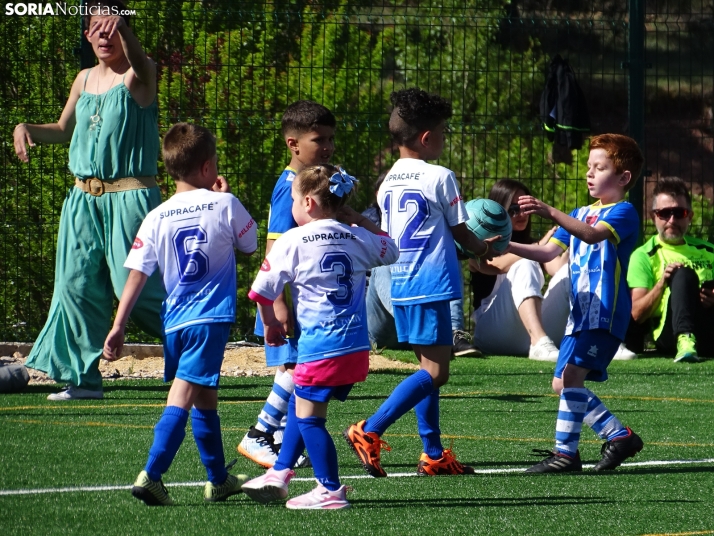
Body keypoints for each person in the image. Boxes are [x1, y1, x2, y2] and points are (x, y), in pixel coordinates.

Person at [13, 0, 165, 400]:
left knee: (133, 286)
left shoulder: (140, 74)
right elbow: (63, 129)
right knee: (75, 286)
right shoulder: (82, 79)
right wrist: (24, 126)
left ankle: (197, 342)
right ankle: (82, 380)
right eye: (96, 27)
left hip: (130, 198)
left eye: (112, 27)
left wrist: (127, 31)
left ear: (125, 33)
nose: (103, 35)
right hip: (82, 199)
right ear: (86, 34)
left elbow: (140, 58)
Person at [343, 88, 498, 478]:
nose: (445, 137)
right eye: (443, 131)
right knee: (436, 373)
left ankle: (432, 453)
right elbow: (462, 232)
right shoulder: (440, 176)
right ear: (427, 138)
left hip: (402, 282)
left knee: (428, 369)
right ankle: (370, 429)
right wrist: (482, 248)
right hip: (433, 283)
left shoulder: (387, 182)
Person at [103, 123, 257, 505]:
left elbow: (137, 273)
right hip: (210, 319)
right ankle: (151, 474)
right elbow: (251, 245)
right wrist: (227, 198)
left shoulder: (156, 216)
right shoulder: (225, 203)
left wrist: (119, 324)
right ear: (207, 168)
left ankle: (218, 479)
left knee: (206, 397)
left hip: (175, 322)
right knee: (183, 395)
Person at [240, 165, 399, 509]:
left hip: (320, 347)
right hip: (355, 348)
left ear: (309, 202)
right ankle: (280, 472)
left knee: (311, 419)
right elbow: (392, 247)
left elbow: (261, 290)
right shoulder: (356, 236)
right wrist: (360, 219)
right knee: (302, 398)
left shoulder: (293, 240)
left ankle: (330, 490)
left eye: (294, 201)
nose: (292, 207)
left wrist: (269, 323)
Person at [508, 133, 645, 473]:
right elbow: (547, 252)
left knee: (570, 378)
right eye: (589, 167)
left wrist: (547, 210)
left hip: (605, 316)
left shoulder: (624, 212)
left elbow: (592, 234)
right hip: (579, 317)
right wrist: (503, 246)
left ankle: (566, 454)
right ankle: (619, 435)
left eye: (600, 167)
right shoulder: (579, 212)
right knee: (562, 383)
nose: (590, 173)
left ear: (624, 177)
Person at [237, 100, 336, 468]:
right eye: (318, 140)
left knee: (293, 368)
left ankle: (277, 435)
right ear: (293, 145)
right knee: (296, 369)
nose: (326, 147)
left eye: (330, 139)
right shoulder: (290, 189)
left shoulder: (313, 183)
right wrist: (277, 304)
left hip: (293, 302)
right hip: (280, 303)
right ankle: (260, 433)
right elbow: (274, 248)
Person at [364, 174, 482, 357]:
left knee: (446, 253)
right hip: (380, 325)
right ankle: (423, 329)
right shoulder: (368, 221)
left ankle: (453, 335)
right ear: (379, 194)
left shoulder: (423, 221)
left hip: (417, 307)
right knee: (383, 265)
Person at [470, 179, 570, 361]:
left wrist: (573, 241)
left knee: (569, 273)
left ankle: (601, 339)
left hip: (528, 335)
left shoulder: (533, 244)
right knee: (525, 262)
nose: (521, 214)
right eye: (513, 209)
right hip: (493, 334)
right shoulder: (480, 244)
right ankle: (540, 342)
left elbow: (557, 270)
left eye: (526, 208)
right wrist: (539, 246)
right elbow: (496, 265)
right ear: (498, 211)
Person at [625, 176, 714, 362]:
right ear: (653, 217)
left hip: (708, 329)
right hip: (670, 335)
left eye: (679, 213)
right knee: (682, 275)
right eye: (664, 213)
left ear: (689, 216)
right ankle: (685, 339)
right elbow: (636, 315)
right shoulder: (643, 256)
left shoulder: (709, 251)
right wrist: (662, 284)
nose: (672, 220)